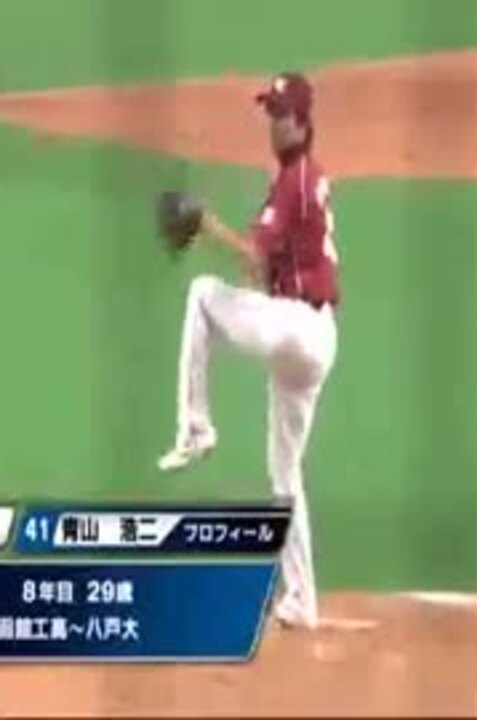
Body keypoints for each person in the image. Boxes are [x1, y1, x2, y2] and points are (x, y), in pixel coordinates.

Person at [157, 72, 340, 630]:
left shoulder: (295, 181)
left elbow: (253, 258)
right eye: (270, 112)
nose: (273, 123)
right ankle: (302, 600)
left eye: (282, 114)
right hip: (312, 339)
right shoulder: (300, 178)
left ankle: (196, 429)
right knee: (284, 471)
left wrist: (205, 224)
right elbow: (260, 266)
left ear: (302, 123)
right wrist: (218, 234)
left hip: (297, 327)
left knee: (201, 295)